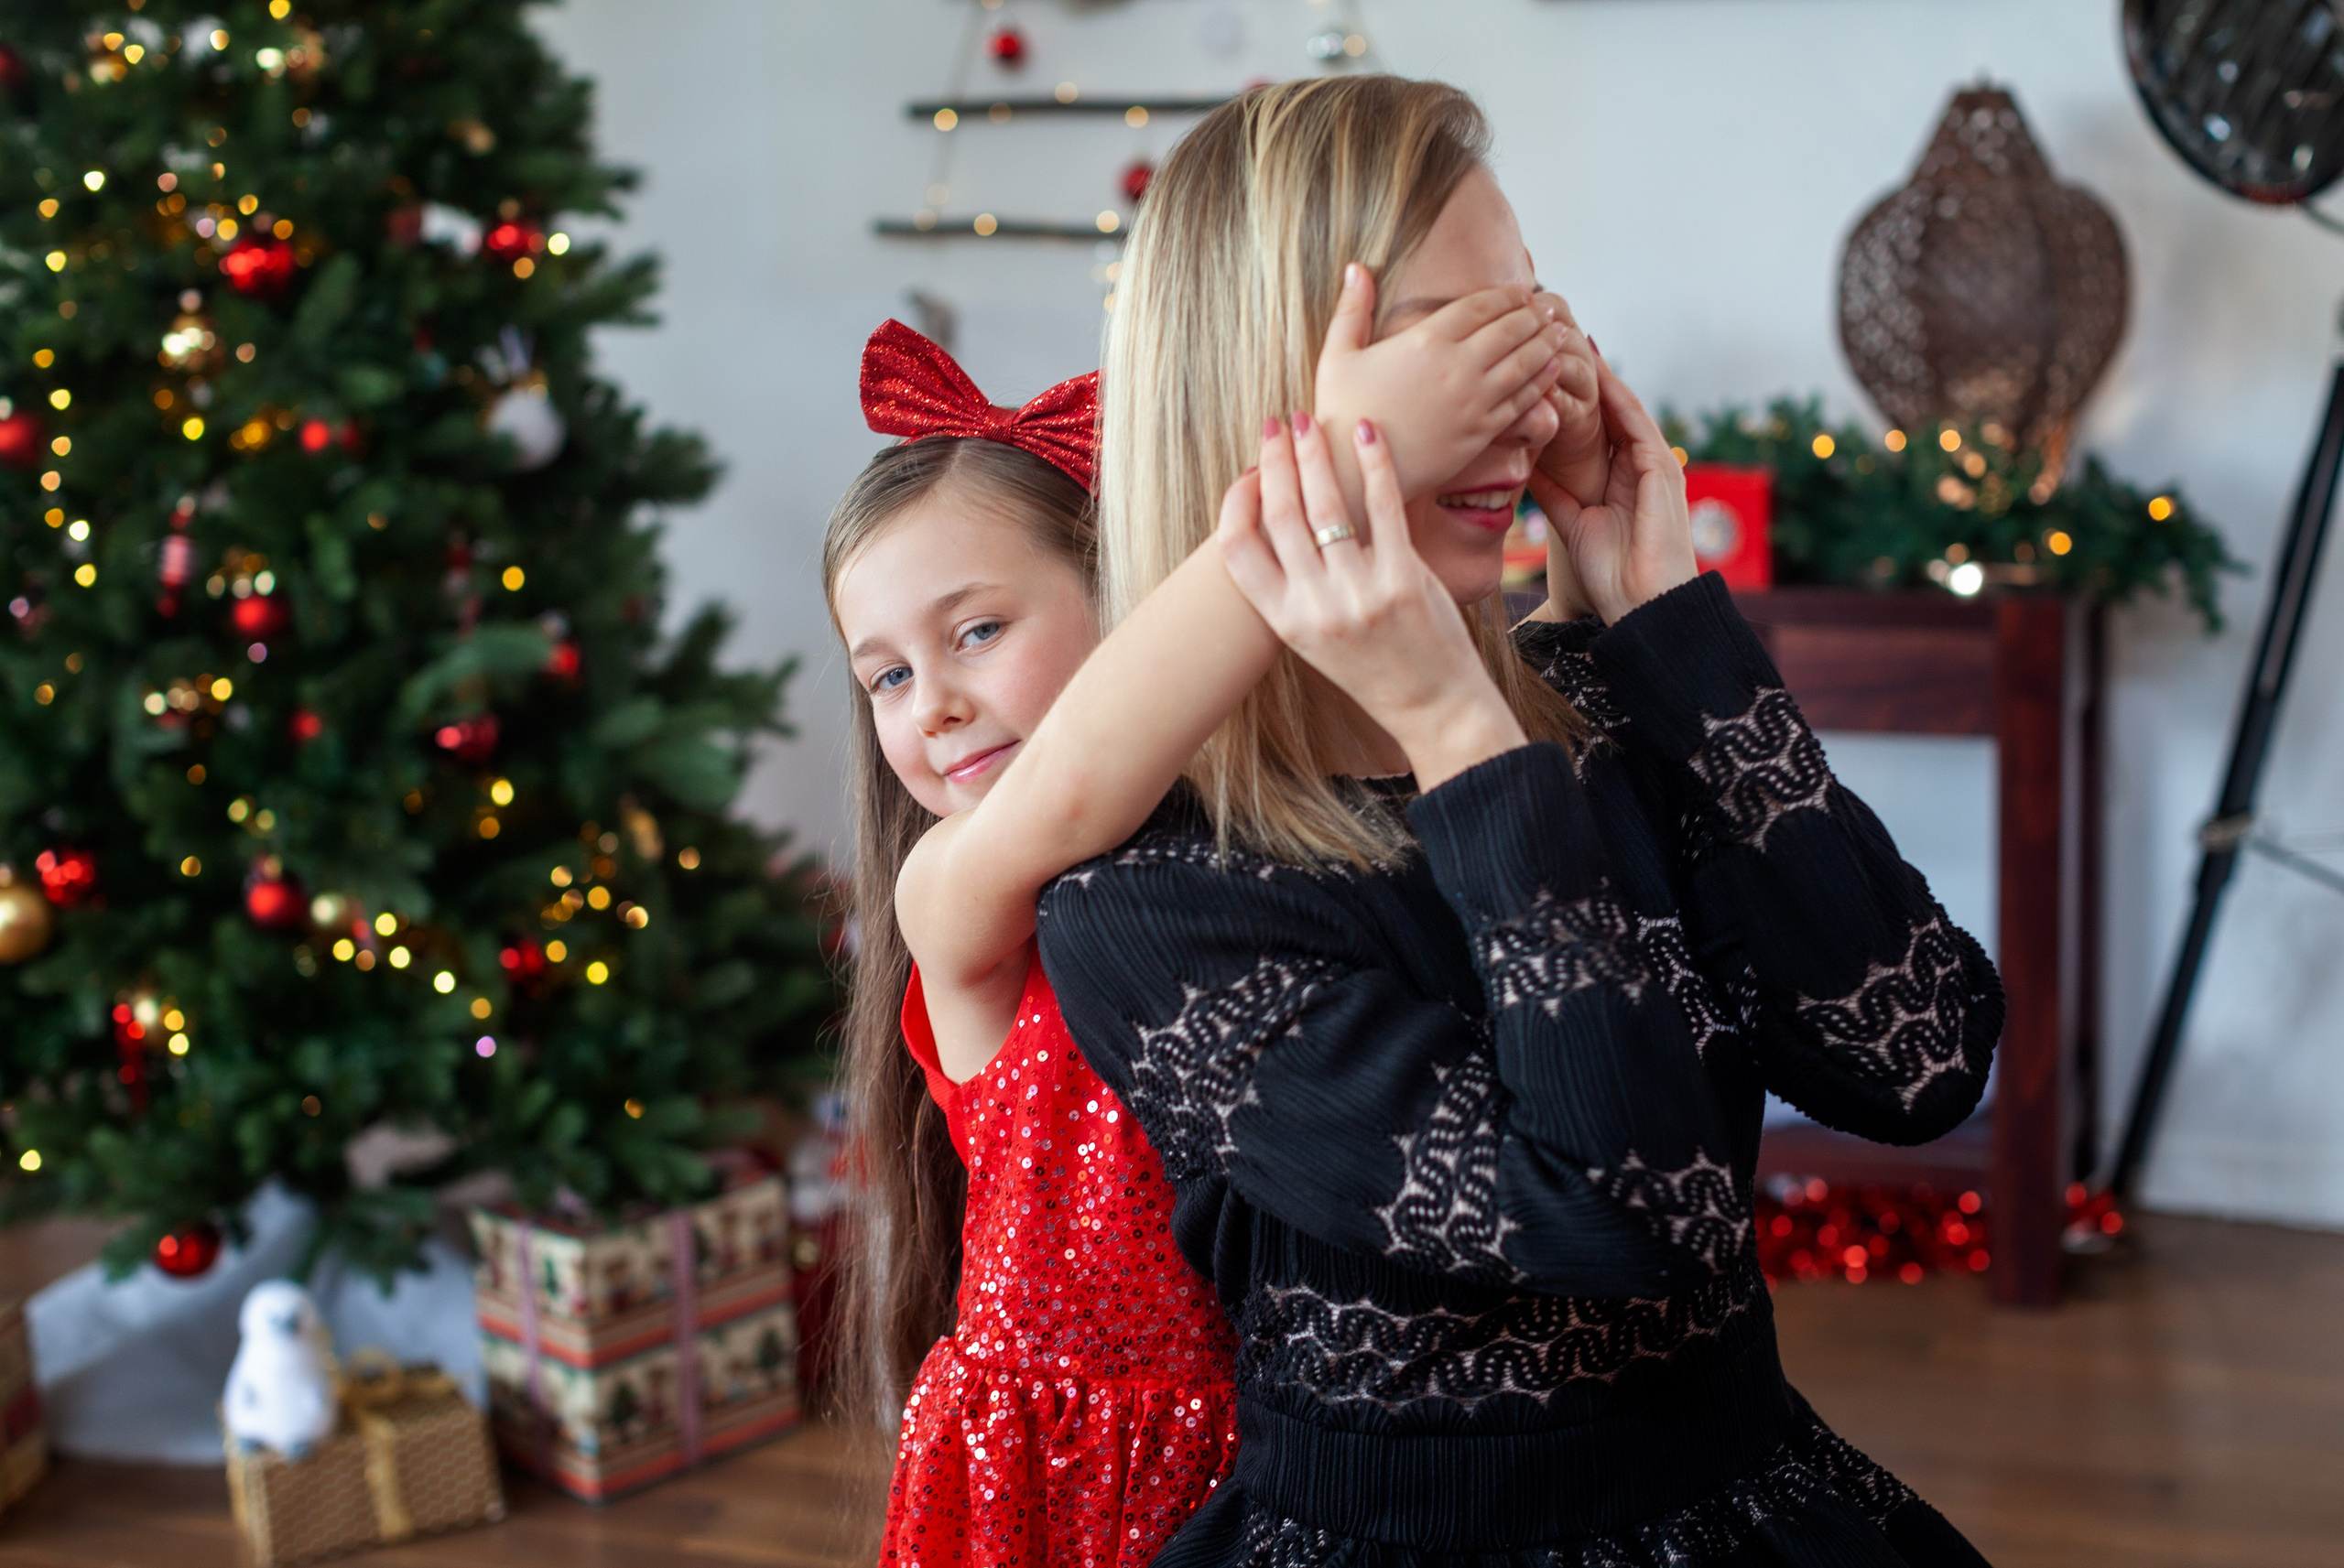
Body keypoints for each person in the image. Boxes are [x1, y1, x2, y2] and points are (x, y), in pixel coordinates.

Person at [1036, 75, 2004, 1566]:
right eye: (1446, 342)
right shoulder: (1152, 897)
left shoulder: (1604, 706)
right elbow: (1628, 1216)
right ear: (1265, 395)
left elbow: (1921, 1054)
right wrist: (1455, 735)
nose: (1519, 400)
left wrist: (1668, 620)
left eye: (1530, 326)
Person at [826, 305, 1582, 1565]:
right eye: (886, 675)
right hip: (1055, 1480)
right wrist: (1349, 450)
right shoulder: (951, 893)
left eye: (977, 630)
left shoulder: (1232, 864)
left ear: (1120, 597)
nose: (936, 703)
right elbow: (1074, 783)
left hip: (1288, 1443)